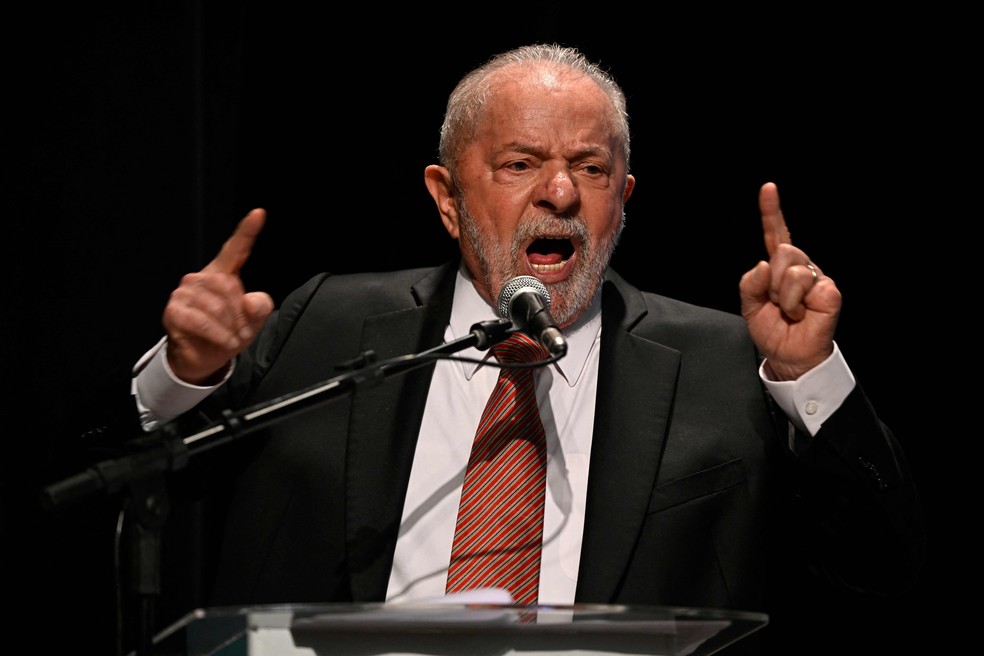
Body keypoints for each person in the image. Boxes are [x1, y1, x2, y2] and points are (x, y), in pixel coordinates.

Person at [85, 43, 924, 654]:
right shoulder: (329, 326)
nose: (559, 193)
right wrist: (189, 372)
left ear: (623, 199)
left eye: (591, 170)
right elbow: (128, 487)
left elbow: (882, 571)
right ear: (446, 198)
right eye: (522, 162)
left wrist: (805, 373)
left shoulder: (719, 358)